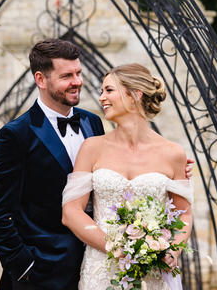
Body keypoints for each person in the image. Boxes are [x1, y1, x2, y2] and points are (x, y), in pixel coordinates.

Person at [0, 38, 106, 290]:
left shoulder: (93, 123)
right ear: (41, 79)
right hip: (40, 276)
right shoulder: (16, 134)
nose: (77, 82)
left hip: (94, 268)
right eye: (67, 76)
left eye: (79, 73)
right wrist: (24, 266)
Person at [61, 64, 193, 290]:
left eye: (109, 90)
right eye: (102, 91)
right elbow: (71, 212)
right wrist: (116, 248)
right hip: (101, 270)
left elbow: (184, 214)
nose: (102, 97)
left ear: (135, 95)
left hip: (153, 273)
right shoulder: (92, 148)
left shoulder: (173, 153)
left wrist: (172, 249)